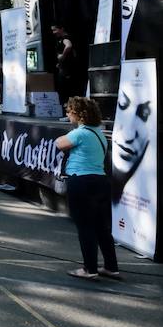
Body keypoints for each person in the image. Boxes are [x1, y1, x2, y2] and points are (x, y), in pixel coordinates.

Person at [55, 97, 121, 281]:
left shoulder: (80, 133)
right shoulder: (99, 133)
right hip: (100, 181)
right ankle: (111, 267)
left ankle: (89, 268)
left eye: (69, 111)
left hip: (81, 181)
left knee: (85, 226)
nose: (67, 114)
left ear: (79, 114)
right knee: (102, 227)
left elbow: (59, 143)